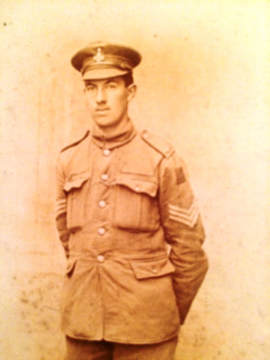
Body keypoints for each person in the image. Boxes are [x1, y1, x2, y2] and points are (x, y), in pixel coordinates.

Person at [55, 41, 208, 360]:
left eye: (111, 86)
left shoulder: (161, 160)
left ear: (131, 91)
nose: (100, 98)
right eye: (91, 87)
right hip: (83, 324)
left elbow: (190, 251)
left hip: (147, 328)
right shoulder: (68, 160)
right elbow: (68, 238)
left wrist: (161, 311)